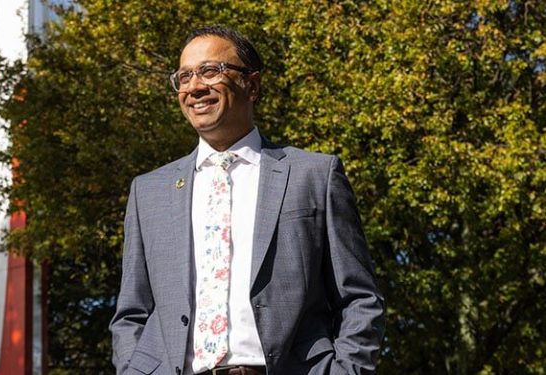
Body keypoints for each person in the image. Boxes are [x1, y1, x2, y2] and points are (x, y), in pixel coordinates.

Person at [110, 25, 385, 375]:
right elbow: (131, 311)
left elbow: (359, 298)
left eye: (210, 71)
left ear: (251, 85)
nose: (194, 87)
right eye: (184, 76)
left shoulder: (315, 175)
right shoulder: (149, 191)